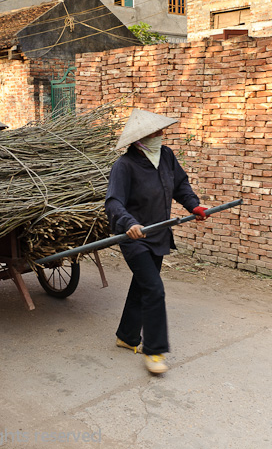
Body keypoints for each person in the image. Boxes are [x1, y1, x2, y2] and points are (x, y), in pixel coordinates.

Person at [105, 109, 208, 374]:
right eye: (156, 132)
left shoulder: (167, 156)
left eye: (161, 131)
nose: (161, 136)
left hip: (158, 233)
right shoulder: (124, 166)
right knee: (154, 289)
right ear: (140, 138)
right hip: (134, 237)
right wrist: (130, 224)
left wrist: (193, 206)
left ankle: (126, 337)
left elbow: (180, 185)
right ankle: (155, 350)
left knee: (142, 286)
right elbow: (114, 202)